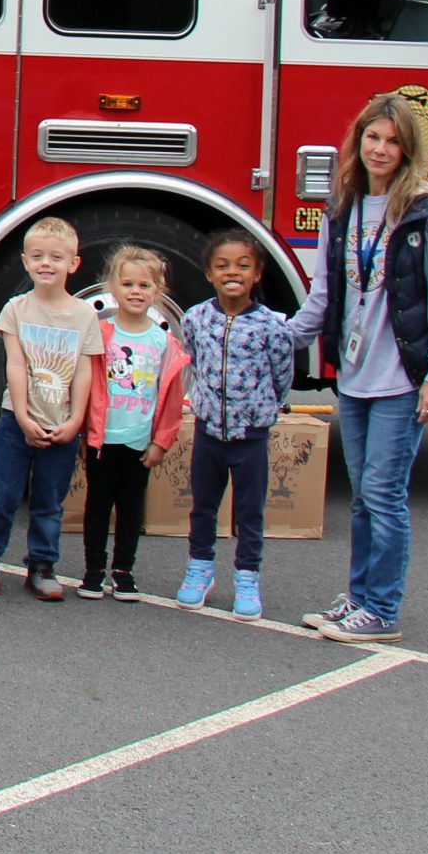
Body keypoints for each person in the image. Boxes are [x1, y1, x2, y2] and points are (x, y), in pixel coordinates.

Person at [286, 92, 428, 646]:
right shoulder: (343, 206)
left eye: (393, 141)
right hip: (355, 375)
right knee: (363, 495)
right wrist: (274, 338)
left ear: (409, 150)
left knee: (384, 496)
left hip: (402, 378)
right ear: (357, 142)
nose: (381, 149)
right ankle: (360, 597)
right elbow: (322, 295)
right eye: (373, 138)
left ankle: (381, 609)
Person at [0, 217, 98, 603]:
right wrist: (23, 417)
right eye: (38, 256)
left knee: (48, 502)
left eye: (57, 257)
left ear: (73, 264)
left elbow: (85, 371)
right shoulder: (16, 309)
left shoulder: (85, 315)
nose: (46, 263)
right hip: (15, 421)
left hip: (61, 424)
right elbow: (14, 366)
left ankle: (42, 565)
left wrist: (75, 420)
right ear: (24, 261)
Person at [174, 231, 298, 620]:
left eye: (243, 266)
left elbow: (282, 375)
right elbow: (191, 361)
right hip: (209, 431)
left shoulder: (272, 326)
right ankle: (200, 569)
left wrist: (262, 410)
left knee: (249, 512)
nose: (233, 273)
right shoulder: (195, 318)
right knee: (203, 506)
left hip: (251, 436)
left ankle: (247, 576)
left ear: (257, 274)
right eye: (223, 266)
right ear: (210, 273)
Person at [78, 245, 187, 602]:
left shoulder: (164, 342)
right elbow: (85, 385)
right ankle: (94, 570)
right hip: (101, 438)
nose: (136, 292)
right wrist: (83, 431)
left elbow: (171, 398)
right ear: (113, 288)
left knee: (130, 508)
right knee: (97, 504)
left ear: (158, 291)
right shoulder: (101, 333)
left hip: (140, 441)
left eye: (144, 285)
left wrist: (161, 442)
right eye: (127, 284)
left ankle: (123, 571)